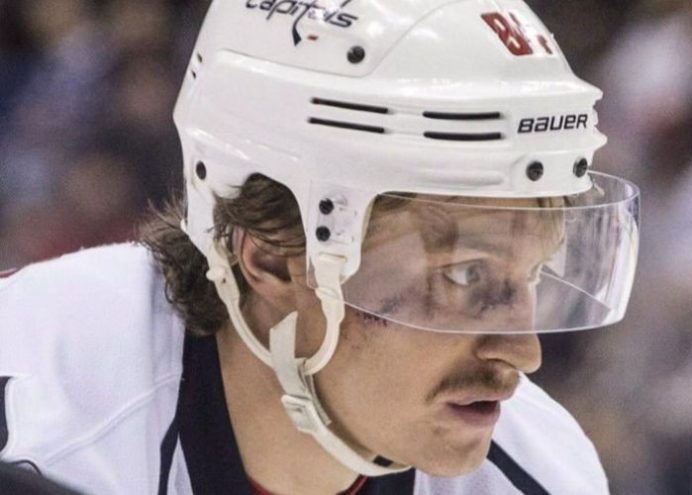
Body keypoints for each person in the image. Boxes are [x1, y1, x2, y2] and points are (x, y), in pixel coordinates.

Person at [0, 1, 640, 493]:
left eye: (532, 274)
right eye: (467, 275)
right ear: (272, 258)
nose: (524, 353)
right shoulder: (34, 420)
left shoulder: (541, 471)